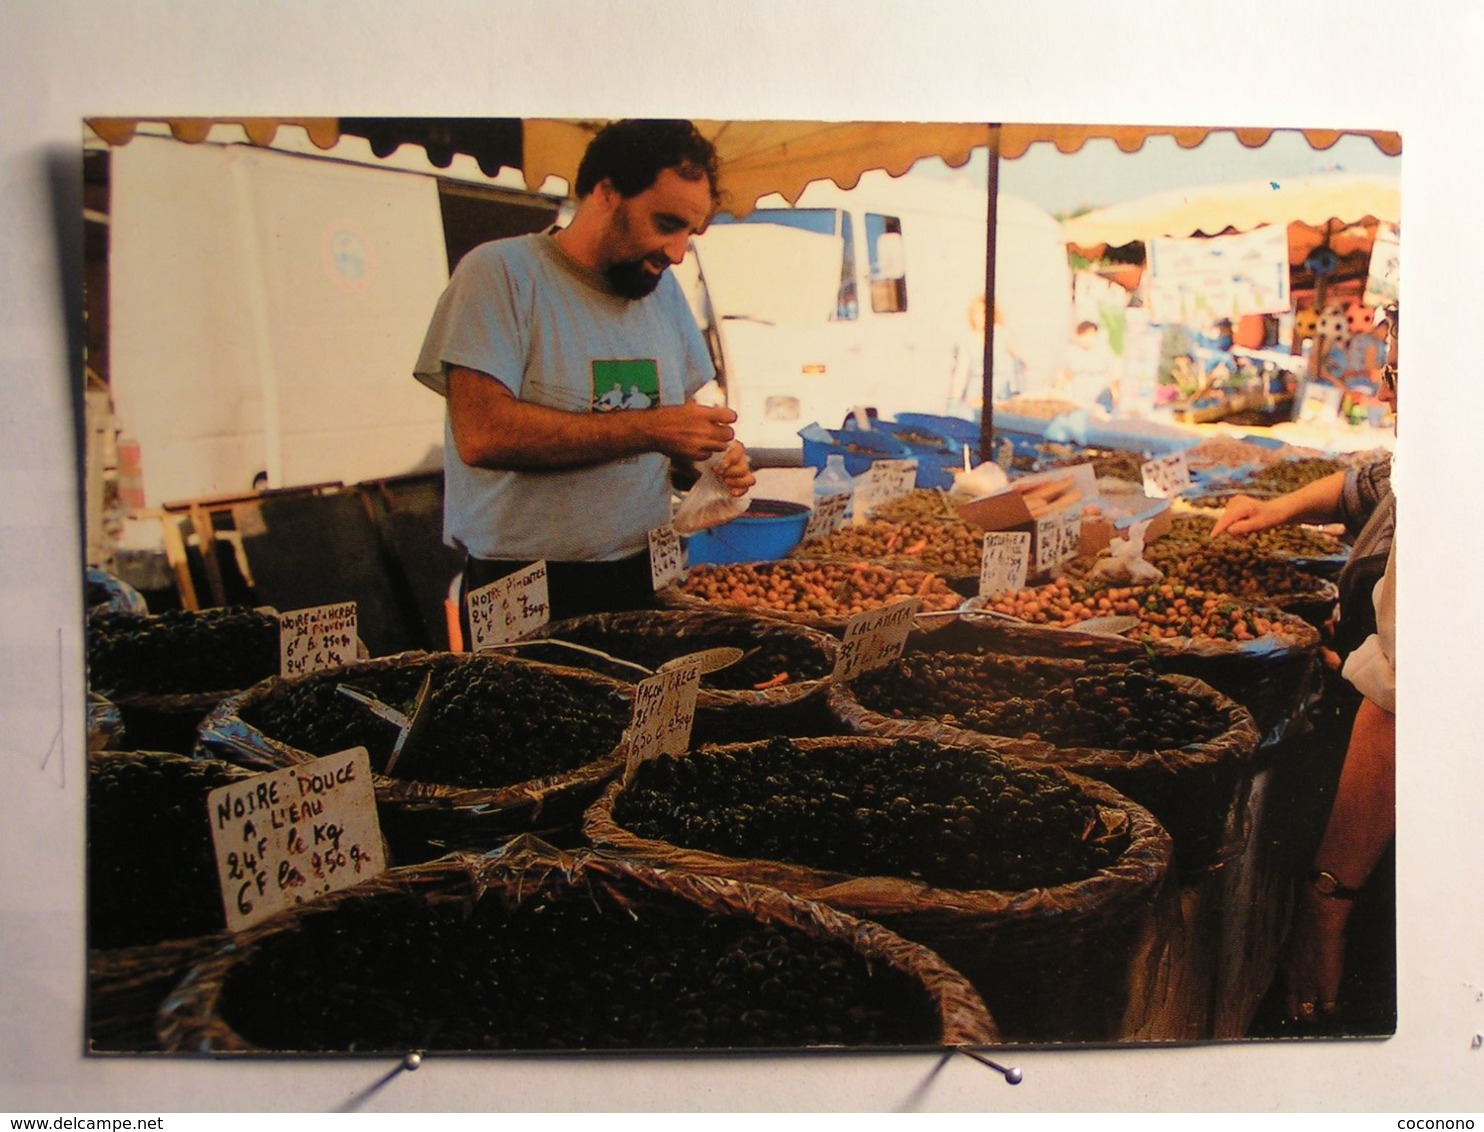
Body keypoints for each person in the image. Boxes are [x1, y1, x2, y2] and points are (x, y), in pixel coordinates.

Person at [413, 119, 755, 628]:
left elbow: (670, 442)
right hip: (521, 584)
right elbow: (483, 435)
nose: (678, 253)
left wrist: (708, 463)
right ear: (606, 192)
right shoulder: (500, 273)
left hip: (642, 569)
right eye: (666, 224)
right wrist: (655, 428)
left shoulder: (662, 294)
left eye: (691, 232)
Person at [1214, 305, 1399, 1032]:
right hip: (1366, 765)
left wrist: (1327, 904)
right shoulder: (1434, 455)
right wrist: (1273, 509)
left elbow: (1398, 707)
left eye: (1398, 377)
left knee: (1365, 1006)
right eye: (1388, 371)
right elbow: (1371, 482)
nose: (1385, 393)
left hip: (1387, 833)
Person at [1057, 320, 1121, 413]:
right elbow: (1063, 377)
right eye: (1084, 335)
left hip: (1101, 401)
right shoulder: (1070, 352)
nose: (1088, 338)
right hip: (1077, 400)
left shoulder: (1104, 352)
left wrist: (1115, 395)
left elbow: (1113, 377)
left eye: (1091, 335)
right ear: (1078, 336)